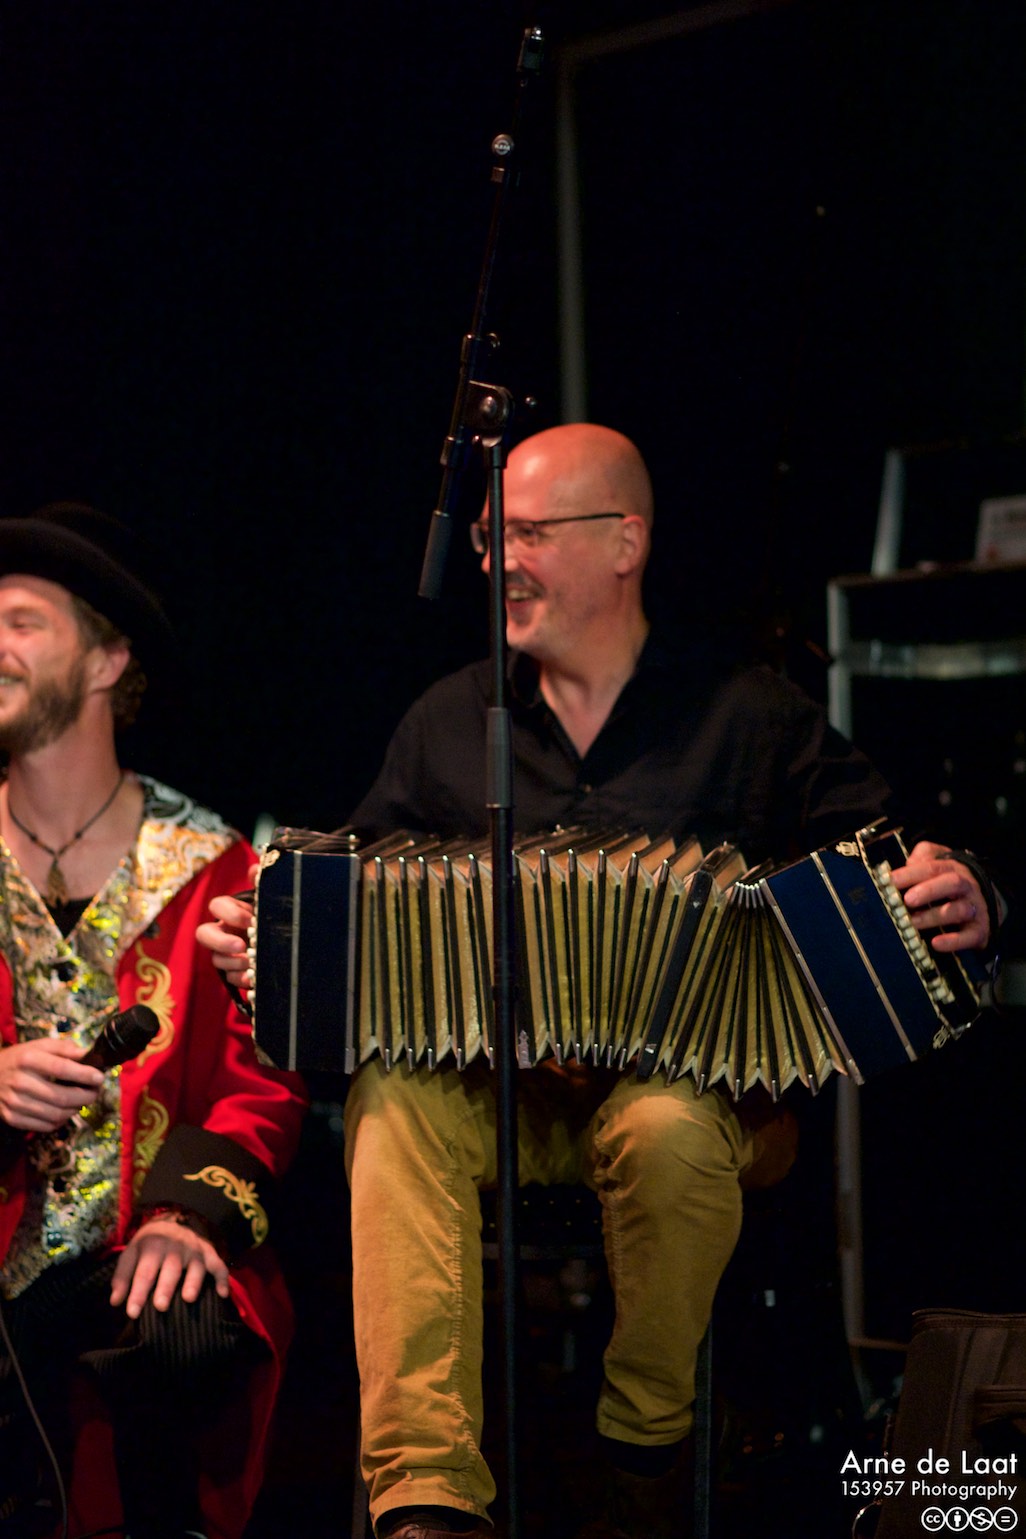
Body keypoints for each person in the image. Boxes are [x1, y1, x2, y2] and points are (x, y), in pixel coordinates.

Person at [203, 424, 996, 1539]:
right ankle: (425, 1494)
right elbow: (351, 922)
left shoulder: (749, 712)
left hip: (707, 1102)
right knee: (392, 1097)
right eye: (491, 538)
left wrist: (970, 887)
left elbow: (896, 863)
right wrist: (269, 950)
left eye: (529, 533)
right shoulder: (448, 722)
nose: (500, 562)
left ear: (626, 542)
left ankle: (646, 1442)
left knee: (664, 1129)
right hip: (505, 1099)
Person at [0, 504, 307, 1539]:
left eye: (22, 623)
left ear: (106, 661)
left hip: (141, 1246)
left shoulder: (215, 866)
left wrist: (185, 1218)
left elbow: (262, 1080)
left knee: (182, 1327)